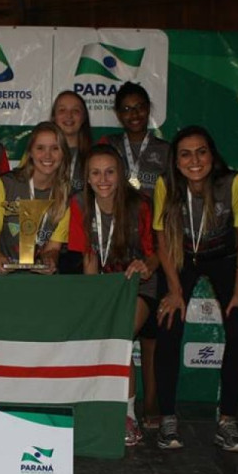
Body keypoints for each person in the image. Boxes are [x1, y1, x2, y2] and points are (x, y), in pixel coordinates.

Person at [153, 125, 238, 453]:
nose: (194, 161)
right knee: (168, 323)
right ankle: (167, 419)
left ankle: (227, 421)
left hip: (224, 258)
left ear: (212, 155)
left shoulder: (233, 182)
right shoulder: (166, 184)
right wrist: (174, 290)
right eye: (185, 154)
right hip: (181, 256)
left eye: (201, 152)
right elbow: (162, 240)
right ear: (175, 160)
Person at [68, 145, 159, 446]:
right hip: (104, 287)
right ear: (87, 177)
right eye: (96, 173)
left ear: (121, 174)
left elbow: (155, 254)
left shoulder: (139, 205)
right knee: (95, 338)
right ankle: (96, 409)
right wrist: (95, 301)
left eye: (109, 172)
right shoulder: (79, 204)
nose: (103, 179)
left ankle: (128, 415)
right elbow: (89, 257)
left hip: (137, 285)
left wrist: (145, 266)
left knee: (119, 339)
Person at [99, 81, 171, 428]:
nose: (134, 114)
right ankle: (118, 407)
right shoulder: (108, 146)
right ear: (117, 114)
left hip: (156, 245)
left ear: (148, 109)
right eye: (126, 109)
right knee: (121, 335)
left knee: (152, 338)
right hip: (117, 248)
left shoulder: (165, 150)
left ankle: (152, 404)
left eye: (140, 107)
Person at [0, 122, 72, 274]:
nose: (48, 155)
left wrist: (49, 261)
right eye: (40, 148)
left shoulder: (66, 196)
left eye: (55, 148)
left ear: (63, 154)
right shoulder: (5, 184)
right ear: (30, 152)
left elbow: (53, 248)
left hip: (38, 280)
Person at [51, 90, 92, 194]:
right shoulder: (39, 154)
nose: (69, 115)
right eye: (62, 110)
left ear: (83, 117)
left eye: (76, 111)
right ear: (54, 117)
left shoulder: (94, 156)